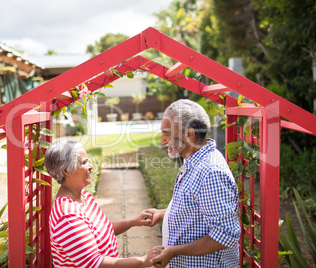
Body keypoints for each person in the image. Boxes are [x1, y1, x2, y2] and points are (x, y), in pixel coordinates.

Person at [146, 99, 241, 267]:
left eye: (166, 133)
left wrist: (173, 251)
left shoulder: (210, 172)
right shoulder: (194, 161)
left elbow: (225, 234)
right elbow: (197, 207)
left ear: (189, 134)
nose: (162, 140)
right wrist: (163, 213)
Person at [45, 140, 163, 268]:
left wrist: (132, 222)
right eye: (84, 162)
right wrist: (143, 260)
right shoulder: (67, 216)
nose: (91, 166)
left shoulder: (84, 196)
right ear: (66, 170)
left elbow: (102, 231)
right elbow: (95, 263)